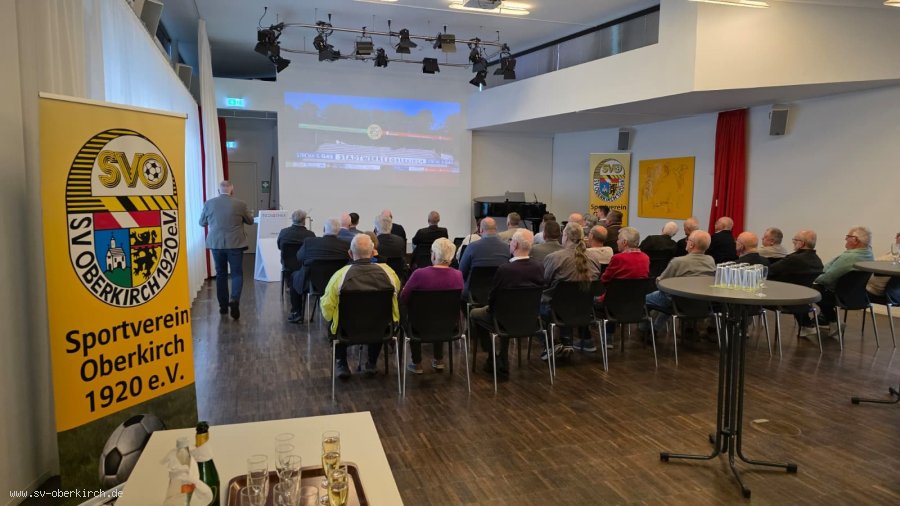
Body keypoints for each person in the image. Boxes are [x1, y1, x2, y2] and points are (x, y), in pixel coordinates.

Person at [321, 234, 401, 379]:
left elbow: (327, 308)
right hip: (381, 330)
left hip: (347, 331)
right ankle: (371, 362)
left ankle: (342, 363)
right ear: (372, 253)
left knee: (334, 322)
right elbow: (396, 296)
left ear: (350, 254)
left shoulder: (339, 276)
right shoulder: (389, 274)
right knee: (379, 318)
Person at [469, 229, 544, 377]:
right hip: (530, 318)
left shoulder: (505, 269)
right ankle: (502, 356)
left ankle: (492, 356)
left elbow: (493, 296)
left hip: (503, 317)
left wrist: (490, 308)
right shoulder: (539, 267)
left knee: (474, 313)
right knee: (506, 312)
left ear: (515, 244)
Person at [400, 238, 464, 374]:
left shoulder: (419, 274)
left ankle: (416, 362)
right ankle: (439, 359)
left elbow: (404, 298)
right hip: (449, 326)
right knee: (440, 311)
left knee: (412, 310)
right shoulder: (458, 276)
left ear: (434, 255)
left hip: (419, 326)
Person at [542, 222, 604, 355]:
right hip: (585, 310)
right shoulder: (594, 258)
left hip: (557, 311)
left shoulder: (554, 258)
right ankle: (572, 341)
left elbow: (545, 282)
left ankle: (554, 344)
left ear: (565, 236)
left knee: (539, 306)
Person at [198, 180, 254, 319]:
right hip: (236, 243)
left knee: (221, 274)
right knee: (237, 273)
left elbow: (202, 223)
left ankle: (223, 306)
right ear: (232, 190)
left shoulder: (209, 203)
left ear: (219, 191)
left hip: (216, 244)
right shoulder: (240, 204)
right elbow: (250, 221)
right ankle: (234, 300)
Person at [813, 226, 875, 333]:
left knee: (811, 289)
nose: (845, 239)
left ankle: (832, 321)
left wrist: (813, 278)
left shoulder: (849, 258)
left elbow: (828, 278)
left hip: (841, 296)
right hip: (859, 297)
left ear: (855, 240)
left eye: (848, 236)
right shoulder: (869, 255)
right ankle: (826, 319)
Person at [290, 218, 350, 322]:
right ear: (338, 231)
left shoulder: (310, 242)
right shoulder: (346, 245)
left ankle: (297, 313)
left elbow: (299, 257)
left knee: (294, 276)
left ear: (324, 229)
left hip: (313, 284)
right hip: (338, 285)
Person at [767, 229, 825, 337]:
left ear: (802, 243)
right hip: (803, 301)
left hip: (783, 300)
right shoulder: (818, 261)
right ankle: (806, 325)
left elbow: (769, 270)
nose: (793, 242)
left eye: (795, 240)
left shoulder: (793, 259)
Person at [645, 230, 716, 313]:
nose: (686, 242)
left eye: (688, 240)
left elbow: (660, 282)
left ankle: (645, 322)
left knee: (642, 299)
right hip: (702, 302)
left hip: (677, 302)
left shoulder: (678, 262)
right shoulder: (710, 260)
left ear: (691, 245)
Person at [278, 210, 316, 322]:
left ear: (292, 219)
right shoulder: (310, 235)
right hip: (305, 268)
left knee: (294, 276)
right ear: (304, 221)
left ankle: (296, 311)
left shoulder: (284, 232)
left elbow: (280, 247)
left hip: (288, 268)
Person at [458, 217, 510, 298]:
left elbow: (461, 273)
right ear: (496, 229)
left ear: (481, 230)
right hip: (499, 293)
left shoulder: (472, 247)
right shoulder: (507, 248)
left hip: (472, 294)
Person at [866, 231, 900, 302]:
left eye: (897, 235)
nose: (895, 238)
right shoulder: (893, 254)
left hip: (877, 291)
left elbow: (872, 263)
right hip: (896, 294)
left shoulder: (894, 257)